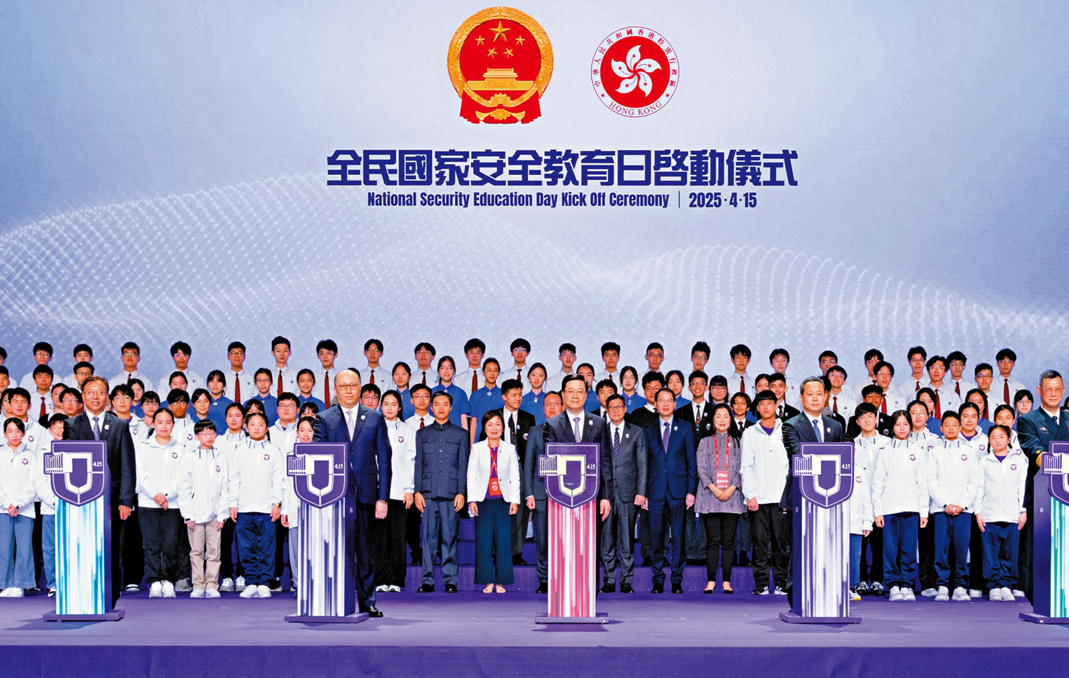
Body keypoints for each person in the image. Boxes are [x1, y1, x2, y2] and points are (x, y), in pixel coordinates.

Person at [312, 369, 391, 617]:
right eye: (343, 386)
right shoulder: (323, 418)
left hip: (366, 496)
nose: (348, 390)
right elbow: (317, 457)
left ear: (360, 388)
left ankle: (367, 601)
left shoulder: (375, 417)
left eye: (353, 385)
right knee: (338, 551)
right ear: (335, 390)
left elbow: (384, 460)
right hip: (333, 497)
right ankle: (338, 600)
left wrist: (382, 498)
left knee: (366, 553)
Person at [62, 375, 136, 605]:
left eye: (100, 392)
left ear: (107, 397)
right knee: (84, 547)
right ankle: (83, 596)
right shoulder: (72, 425)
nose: (95, 396)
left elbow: (127, 465)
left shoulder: (119, 425)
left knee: (112, 548)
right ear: (83, 397)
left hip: (112, 500)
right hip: (80, 499)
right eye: (90, 392)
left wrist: (125, 500)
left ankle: (110, 596)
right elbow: (68, 462)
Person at [780, 377, 846, 608]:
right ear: (801, 398)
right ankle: (797, 598)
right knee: (800, 549)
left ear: (826, 396)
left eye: (819, 393)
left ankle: (827, 597)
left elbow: (842, 459)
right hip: (800, 496)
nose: (815, 398)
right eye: (810, 394)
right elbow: (797, 454)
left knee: (828, 548)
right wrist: (826, 461)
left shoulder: (836, 426)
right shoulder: (791, 425)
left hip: (832, 497)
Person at [1015, 369, 1069, 603]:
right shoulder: (1028, 420)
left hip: (1067, 495)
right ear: (1039, 391)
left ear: (1063, 390)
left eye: (1058, 389)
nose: (1054, 394)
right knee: (1038, 547)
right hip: (1041, 494)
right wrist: (1054, 462)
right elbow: (1032, 448)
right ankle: (1039, 597)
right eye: (1049, 390)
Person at [413, 391, 468, 594]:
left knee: (449, 537)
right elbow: (418, 464)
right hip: (427, 493)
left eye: (445, 404)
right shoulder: (422, 434)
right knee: (428, 538)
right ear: (431, 407)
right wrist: (417, 491)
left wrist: (461, 492)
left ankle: (450, 581)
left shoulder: (460, 434)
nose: (441, 408)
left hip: (451, 493)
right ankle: (427, 581)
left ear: (451, 408)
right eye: (437, 404)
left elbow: (463, 465)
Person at [644, 387, 697, 594]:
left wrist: (691, 491)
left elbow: (691, 461)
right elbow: (643, 463)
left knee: (679, 537)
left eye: (669, 401)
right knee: (656, 537)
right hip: (655, 491)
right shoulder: (647, 428)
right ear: (655, 404)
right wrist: (643, 492)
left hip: (679, 491)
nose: (665, 404)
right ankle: (657, 579)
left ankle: (676, 579)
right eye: (661, 401)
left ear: (675, 404)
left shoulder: (685, 427)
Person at [872, 411, 929, 603]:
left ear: (910, 426)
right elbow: (878, 483)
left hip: (912, 508)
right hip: (889, 508)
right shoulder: (885, 451)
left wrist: (923, 511)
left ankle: (907, 584)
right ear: (892, 427)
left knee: (909, 549)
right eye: (898, 424)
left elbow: (922, 483)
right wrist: (878, 511)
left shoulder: (918, 451)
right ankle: (893, 585)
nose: (902, 428)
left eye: (905, 424)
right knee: (890, 549)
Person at [926, 411, 982, 602]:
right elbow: (931, 481)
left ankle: (960, 586)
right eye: (947, 425)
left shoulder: (969, 451)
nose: (951, 428)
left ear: (960, 427)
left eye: (954, 425)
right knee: (941, 548)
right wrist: (945, 504)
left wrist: (962, 504)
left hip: (963, 510)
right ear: (941, 428)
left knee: (961, 548)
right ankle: (942, 585)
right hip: (941, 509)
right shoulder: (935, 452)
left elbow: (974, 481)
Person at [479, 379, 535, 566]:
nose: (518, 398)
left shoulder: (528, 418)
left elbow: (531, 449)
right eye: (513, 395)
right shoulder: (494, 417)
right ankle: (496, 553)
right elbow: (482, 444)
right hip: (497, 471)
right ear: (504, 396)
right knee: (498, 513)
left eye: (520, 394)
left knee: (519, 513)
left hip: (520, 470)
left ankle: (515, 552)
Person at [229, 411, 284, 600]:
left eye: (260, 425)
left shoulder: (274, 450)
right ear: (246, 427)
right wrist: (233, 503)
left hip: (266, 508)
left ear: (267, 428)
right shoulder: (239, 450)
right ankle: (251, 582)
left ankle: (264, 583)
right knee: (246, 547)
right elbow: (233, 478)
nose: (256, 428)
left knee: (267, 547)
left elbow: (279, 479)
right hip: (244, 507)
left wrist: (277, 503)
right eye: (252, 424)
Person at [599, 394, 647, 594]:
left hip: (629, 493)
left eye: (619, 406)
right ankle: (609, 580)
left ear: (625, 409)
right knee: (607, 540)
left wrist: (641, 492)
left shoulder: (636, 432)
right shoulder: (600, 431)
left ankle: (627, 580)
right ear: (607, 410)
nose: (615, 410)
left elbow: (642, 465)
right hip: (606, 494)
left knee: (627, 540)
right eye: (612, 407)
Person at [468, 410, 520, 593]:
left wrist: (515, 500)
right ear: (484, 428)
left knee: (503, 542)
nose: (494, 428)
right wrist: (471, 499)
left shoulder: (509, 449)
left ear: (502, 427)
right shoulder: (477, 448)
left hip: (503, 501)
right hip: (483, 501)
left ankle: (501, 582)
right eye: (490, 425)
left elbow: (515, 476)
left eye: (498, 424)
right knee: (483, 542)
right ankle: (487, 581)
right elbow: (471, 475)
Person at [136, 408, 185, 598]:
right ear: (153, 424)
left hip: (172, 504)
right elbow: (141, 475)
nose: (164, 426)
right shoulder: (144, 447)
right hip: (148, 503)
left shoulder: (180, 448)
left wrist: (165, 495)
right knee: (151, 544)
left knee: (171, 544)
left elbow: (182, 476)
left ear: (173, 424)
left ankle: (169, 580)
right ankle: (154, 580)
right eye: (160, 422)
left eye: (168, 422)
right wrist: (156, 495)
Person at [975, 424, 1028, 602]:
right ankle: (993, 586)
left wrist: (1023, 510)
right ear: (989, 441)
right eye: (993, 437)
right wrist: (978, 511)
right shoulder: (984, 462)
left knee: (1009, 553)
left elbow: (1023, 488)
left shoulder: (1019, 461)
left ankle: (1006, 585)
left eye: (1001, 437)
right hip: (989, 515)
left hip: (1012, 514)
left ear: (1008, 439)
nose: (997, 440)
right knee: (990, 554)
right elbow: (979, 488)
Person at [177, 419, 229, 599]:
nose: (209, 436)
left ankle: (212, 584)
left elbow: (225, 487)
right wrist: (188, 514)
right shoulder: (190, 459)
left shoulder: (221, 458)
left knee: (214, 551)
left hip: (215, 513)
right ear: (197, 436)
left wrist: (222, 514)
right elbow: (184, 488)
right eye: (204, 433)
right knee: (196, 551)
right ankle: (198, 584)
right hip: (195, 513)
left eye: (211, 433)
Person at [696, 403, 743, 594]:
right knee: (713, 541)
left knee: (729, 542)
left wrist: (731, 488)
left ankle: (726, 581)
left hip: (733, 496)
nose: (722, 420)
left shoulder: (739, 442)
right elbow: (701, 469)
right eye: (718, 416)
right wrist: (714, 489)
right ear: (712, 421)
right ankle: (711, 581)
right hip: (710, 496)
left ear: (731, 420)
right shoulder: (705, 442)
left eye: (726, 416)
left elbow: (743, 468)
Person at [523, 391, 563, 593]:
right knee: (543, 540)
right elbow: (528, 464)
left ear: (562, 407)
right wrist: (529, 493)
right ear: (543, 408)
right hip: (540, 494)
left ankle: (562, 577)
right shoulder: (535, 431)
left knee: (563, 539)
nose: (552, 407)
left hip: (565, 494)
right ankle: (544, 579)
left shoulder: (571, 431)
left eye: (556, 403)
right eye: (548, 404)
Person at [374, 392, 415, 593]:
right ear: (381, 406)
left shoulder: (407, 430)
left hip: (400, 491)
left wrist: (409, 489)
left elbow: (411, 461)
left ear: (399, 407)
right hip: (377, 493)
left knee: (398, 538)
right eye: (386, 404)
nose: (389, 408)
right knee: (380, 538)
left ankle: (397, 580)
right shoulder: (373, 427)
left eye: (394, 404)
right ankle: (381, 578)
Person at [0, 418, 39, 597]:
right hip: (3, 509)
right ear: (4, 434)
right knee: (4, 547)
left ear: (23, 434)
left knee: (24, 548)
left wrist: (18, 503)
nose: (14, 435)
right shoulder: (1, 454)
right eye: (10, 431)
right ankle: (5, 584)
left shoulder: (30, 456)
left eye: (17, 431)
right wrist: (6, 503)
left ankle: (21, 584)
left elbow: (33, 483)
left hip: (24, 508)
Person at [849, 403, 883, 598]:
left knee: (879, 543)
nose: (867, 420)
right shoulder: (851, 445)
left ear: (876, 419)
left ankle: (878, 579)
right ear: (857, 421)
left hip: (880, 501)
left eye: (871, 416)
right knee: (858, 544)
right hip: (858, 502)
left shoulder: (887, 443)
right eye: (863, 417)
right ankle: (860, 580)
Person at [214, 403, 247, 593]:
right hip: (223, 498)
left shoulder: (250, 440)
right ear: (225, 419)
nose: (234, 419)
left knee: (244, 539)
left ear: (243, 419)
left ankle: (242, 574)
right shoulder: (218, 442)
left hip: (245, 498)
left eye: (238, 415)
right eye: (230, 416)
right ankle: (226, 576)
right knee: (224, 540)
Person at [468, 359, 502, 445]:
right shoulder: (475, 395)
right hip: (479, 440)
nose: (492, 373)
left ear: (498, 373)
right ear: (483, 372)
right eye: (489, 370)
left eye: (495, 370)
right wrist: (472, 445)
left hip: (499, 440)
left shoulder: (504, 395)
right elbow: (473, 423)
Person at [431, 356, 471, 430]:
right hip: (435, 433)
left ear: (454, 371)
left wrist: (465, 435)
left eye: (450, 368)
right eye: (443, 368)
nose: (446, 371)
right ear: (438, 371)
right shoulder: (431, 392)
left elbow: (463, 420)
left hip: (456, 434)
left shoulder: (461, 393)